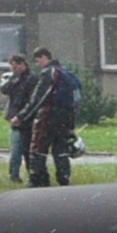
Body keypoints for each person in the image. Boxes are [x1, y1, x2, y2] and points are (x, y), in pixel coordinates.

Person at [23, 48, 80, 188]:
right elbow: (77, 98)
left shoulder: (49, 73)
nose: (38, 65)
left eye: (38, 61)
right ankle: (63, 178)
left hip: (48, 116)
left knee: (38, 148)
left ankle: (37, 180)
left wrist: (22, 116)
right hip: (65, 117)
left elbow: (38, 97)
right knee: (61, 150)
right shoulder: (66, 73)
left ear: (44, 57)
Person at [0, 54, 33, 184]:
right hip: (14, 118)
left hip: (27, 119)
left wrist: (23, 116)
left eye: (15, 67)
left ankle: (32, 175)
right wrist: (13, 78)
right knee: (15, 150)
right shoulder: (13, 78)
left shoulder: (31, 79)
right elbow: (4, 89)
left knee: (28, 150)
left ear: (22, 64)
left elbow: (31, 100)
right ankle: (14, 175)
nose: (13, 69)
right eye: (12, 67)